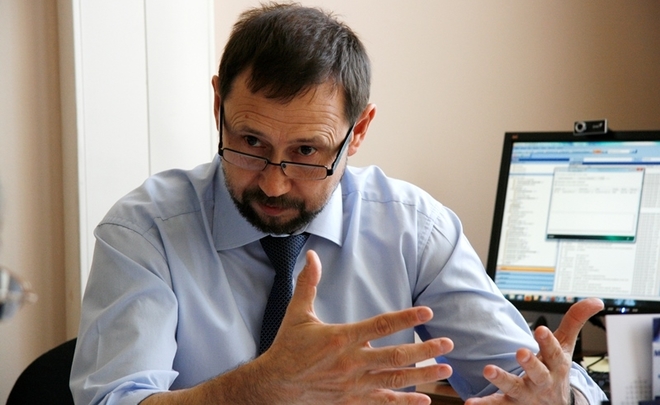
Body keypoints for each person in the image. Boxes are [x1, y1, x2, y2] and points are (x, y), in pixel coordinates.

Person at [70, 3, 608, 405]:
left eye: (307, 152)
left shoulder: (413, 229)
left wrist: (559, 397)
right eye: (251, 143)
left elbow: (526, 377)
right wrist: (261, 388)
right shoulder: (145, 231)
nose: (274, 184)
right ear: (218, 106)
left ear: (359, 131)